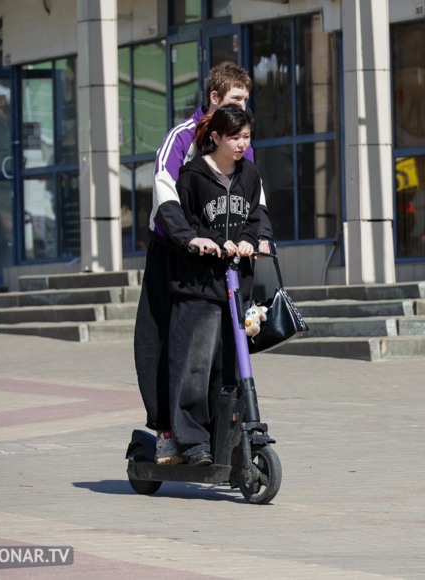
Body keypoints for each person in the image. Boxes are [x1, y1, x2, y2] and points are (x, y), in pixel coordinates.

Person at [134, 61, 271, 465]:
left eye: (246, 100)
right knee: (166, 344)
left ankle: (218, 433)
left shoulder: (241, 145)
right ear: (214, 98)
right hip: (173, 252)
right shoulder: (181, 139)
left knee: (223, 351)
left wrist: (257, 239)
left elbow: (254, 200)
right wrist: (189, 238)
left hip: (221, 260)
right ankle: (167, 433)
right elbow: (164, 192)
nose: (243, 107)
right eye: (236, 99)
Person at [164, 105, 273, 466]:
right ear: (216, 138)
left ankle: (226, 440)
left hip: (236, 284)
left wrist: (248, 241)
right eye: (235, 137)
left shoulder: (250, 174)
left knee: (230, 368)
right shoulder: (192, 176)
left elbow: (254, 218)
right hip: (199, 285)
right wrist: (210, 241)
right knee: (195, 365)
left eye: (247, 137)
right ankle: (192, 441)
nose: (242, 144)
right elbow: (186, 224)